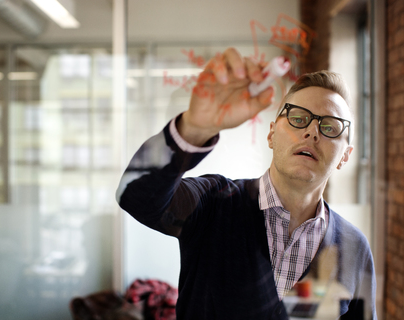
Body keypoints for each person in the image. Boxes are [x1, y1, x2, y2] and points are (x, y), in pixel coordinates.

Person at [116, 48, 376, 319]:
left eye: (331, 127)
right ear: (272, 134)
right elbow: (135, 196)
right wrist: (194, 127)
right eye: (298, 118)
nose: (311, 131)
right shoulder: (214, 203)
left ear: (345, 156)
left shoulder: (353, 248)